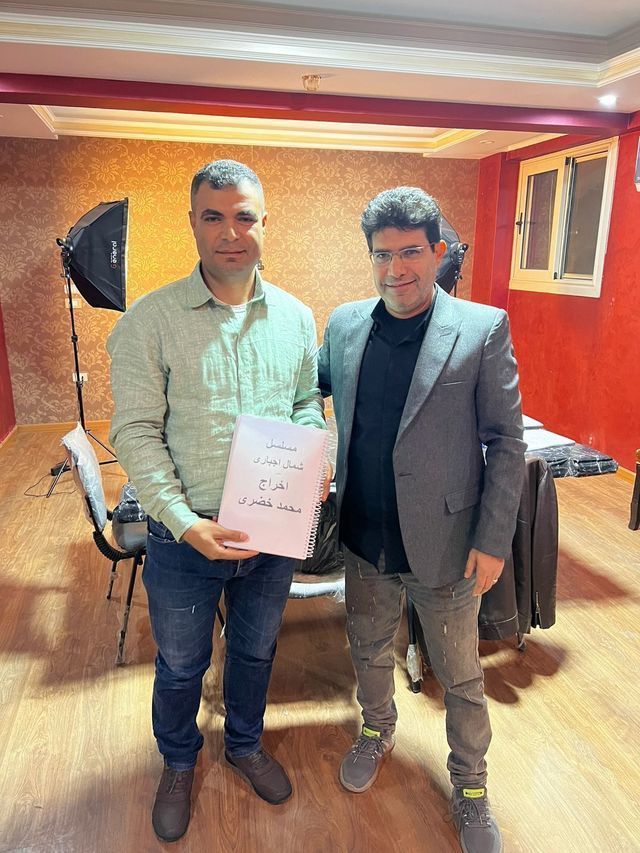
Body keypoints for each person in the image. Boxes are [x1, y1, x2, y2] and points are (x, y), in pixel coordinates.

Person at [107, 160, 326, 843]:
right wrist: (183, 521)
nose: (231, 232)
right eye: (214, 216)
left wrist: (314, 458)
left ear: (264, 224)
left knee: (256, 651)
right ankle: (179, 760)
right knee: (181, 664)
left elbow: (304, 404)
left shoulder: (296, 317)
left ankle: (244, 743)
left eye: (244, 216)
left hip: (270, 531)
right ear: (193, 224)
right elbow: (135, 432)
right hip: (184, 536)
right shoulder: (150, 320)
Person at [318, 186, 525, 853]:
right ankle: (376, 729)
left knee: (459, 675)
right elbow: (309, 393)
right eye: (382, 254)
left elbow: (507, 442)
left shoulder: (481, 328)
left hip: (447, 544)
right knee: (368, 648)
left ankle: (471, 785)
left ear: (438, 252)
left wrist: (493, 540)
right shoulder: (345, 324)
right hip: (364, 535)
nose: (395, 269)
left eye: (410, 252)